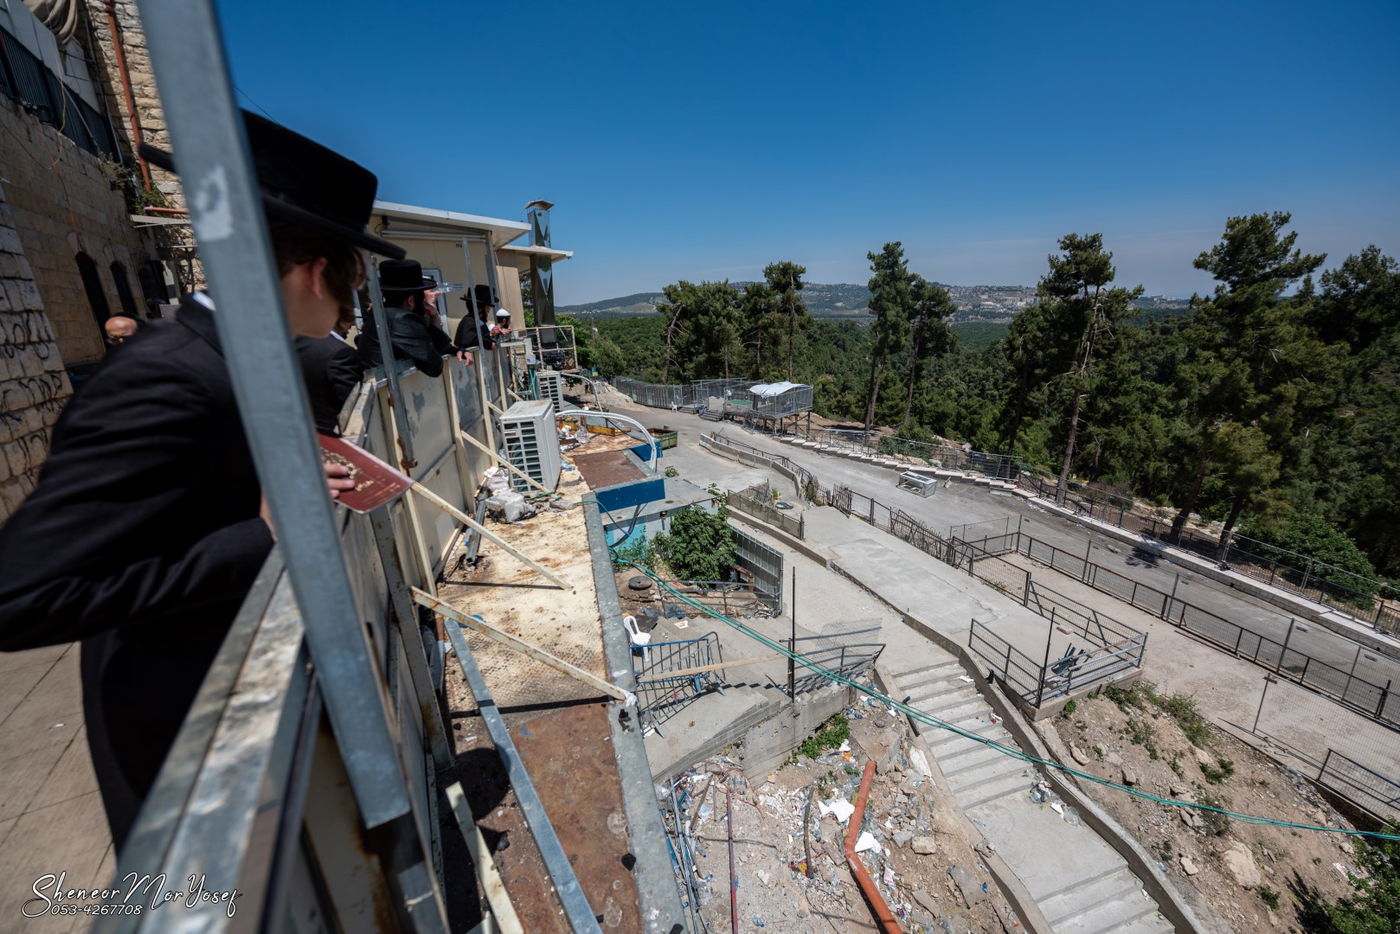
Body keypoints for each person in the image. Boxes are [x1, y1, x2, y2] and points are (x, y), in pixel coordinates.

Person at [0, 110, 403, 847]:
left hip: (229, 717)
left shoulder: (229, 360)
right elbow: (20, 595)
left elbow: (180, 495)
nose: (350, 304)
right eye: (351, 277)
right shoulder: (170, 374)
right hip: (178, 737)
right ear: (317, 269)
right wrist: (260, 534)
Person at [357, 259, 457, 377]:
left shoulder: (382, 315)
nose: (424, 303)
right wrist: (434, 319)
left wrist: (433, 317)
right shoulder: (401, 319)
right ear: (411, 300)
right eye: (422, 299)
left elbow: (437, 348)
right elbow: (434, 366)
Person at [296, 304, 367, 435]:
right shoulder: (340, 353)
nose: (352, 324)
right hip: (334, 440)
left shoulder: (296, 342)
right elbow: (355, 408)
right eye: (350, 316)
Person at [453, 283, 497, 360]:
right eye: (487, 307)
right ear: (479, 308)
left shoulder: (477, 321)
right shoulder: (469, 321)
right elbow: (470, 340)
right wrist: (488, 343)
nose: (489, 310)